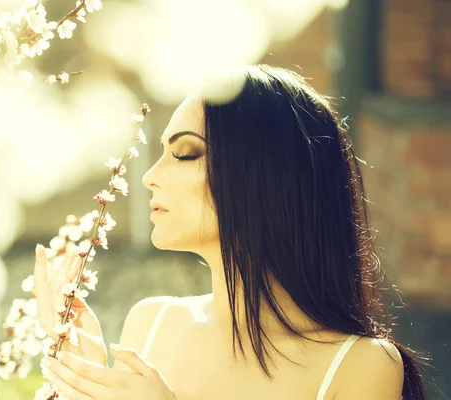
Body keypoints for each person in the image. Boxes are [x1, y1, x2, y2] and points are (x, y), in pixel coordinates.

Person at [34, 64, 428, 400]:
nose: (151, 177)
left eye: (185, 153)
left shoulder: (361, 365)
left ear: (265, 176)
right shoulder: (152, 322)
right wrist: (85, 377)